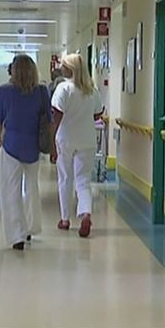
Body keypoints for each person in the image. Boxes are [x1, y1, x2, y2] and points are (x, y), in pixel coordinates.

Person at [0, 55, 52, 250]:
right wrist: (52, 146)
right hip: (33, 146)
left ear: (13, 70)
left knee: (11, 190)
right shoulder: (42, 91)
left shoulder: (4, 91)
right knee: (32, 188)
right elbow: (49, 121)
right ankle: (31, 227)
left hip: (11, 146)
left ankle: (16, 235)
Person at [50, 53, 105, 238]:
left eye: (64, 66)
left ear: (70, 69)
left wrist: (51, 142)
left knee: (65, 179)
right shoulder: (92, 91)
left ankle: (65, 219)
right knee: (83, 180)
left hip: (65, 139)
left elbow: (56, 116)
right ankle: (86, 214)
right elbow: (97, 114)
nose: (61, 69)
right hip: (87, 139)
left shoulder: (63, 88)